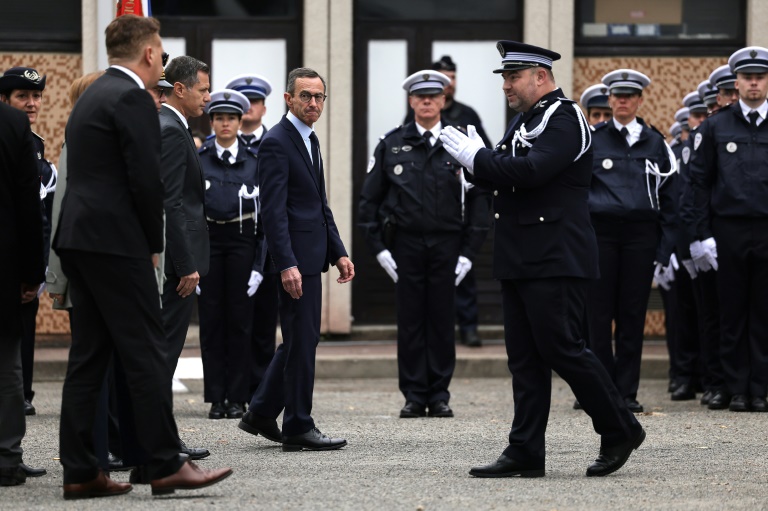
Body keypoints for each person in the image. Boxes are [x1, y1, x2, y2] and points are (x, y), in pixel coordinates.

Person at [440, 40, 644, 478]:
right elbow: (504, 172)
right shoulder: (527, 120)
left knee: (563, 348)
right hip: (522, 253)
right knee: (525, 359)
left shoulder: (564, 117)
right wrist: (479, 162)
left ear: (540, 75)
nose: (506, 87)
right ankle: (525, 449)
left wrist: (477, 157)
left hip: (555, 253)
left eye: (513, 78)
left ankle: (620, 427)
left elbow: (533, 171)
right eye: (505, 78)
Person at [52, 14, 231, 498]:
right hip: (117, 243)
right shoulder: (131, 97)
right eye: (161, 51)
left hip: (81, 239)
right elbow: (145, 180)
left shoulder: (91, 92)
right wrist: (155, 245)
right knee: (148, 351)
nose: (162, 60)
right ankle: (164, 463)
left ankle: (82, 470)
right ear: (150, 53)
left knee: (89, 359)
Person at [359, 70, 490, 418]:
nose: (427, 101)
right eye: (420, 96)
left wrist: (469, 253)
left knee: (443, 320)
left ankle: (440, 394)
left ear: (444, 100)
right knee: (411, 321)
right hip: (407, 245)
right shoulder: (391, 143)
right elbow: (368, 202)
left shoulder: (460, 143)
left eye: (434, 96)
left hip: (448, 245)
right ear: (411, 101)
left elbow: (481, 201)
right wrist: (379, 249)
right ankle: (415, 395)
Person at [237, 67, 355, 451]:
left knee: (300, 341)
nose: (313, 103)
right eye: (305, 96)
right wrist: (285, 263)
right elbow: (272, 211)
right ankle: (298, 425)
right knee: (302, 342)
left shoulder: (310, 139)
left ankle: (259, 412)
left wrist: (338, 251)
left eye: (319, 97)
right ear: (288, 99)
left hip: (312, 257)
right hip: (294, 263)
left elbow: (318, 204)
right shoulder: (277, 141)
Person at [586, 69, 678, 413]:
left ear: (640, 100)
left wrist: (666, 247)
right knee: (597, 318)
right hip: (602, 236)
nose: (622, 101)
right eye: (617, 96)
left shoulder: (655, 142)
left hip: (640, 237)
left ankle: (626, 393)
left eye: (630, 96)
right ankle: (600, 392)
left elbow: (670, 196)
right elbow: (578, 191)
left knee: (631, 316)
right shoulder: (592, 138)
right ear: (609, 100)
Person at [688, 46, 768, 413]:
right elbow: (699, 184)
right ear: (736, 82)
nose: (754, 83)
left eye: (760, 77)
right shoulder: (716, 126)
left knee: (764, 312)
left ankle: (761, 388)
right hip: (728, 231)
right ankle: (736, 388)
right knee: (731, 313)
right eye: (748, 77)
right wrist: (700, 236)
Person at [197, 89, 262, 419]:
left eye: (231, 118)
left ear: (240, 122)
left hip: (240, 239)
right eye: (219, 118)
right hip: (208, 241)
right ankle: (215, 397)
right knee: (210, 322)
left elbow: (265, 215)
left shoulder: (254, 158)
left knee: (239, 320)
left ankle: (237, 397)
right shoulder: (200, 156)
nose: (225, 124)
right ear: (211, 122)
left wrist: (260, 264)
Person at [0, 66, 56, 418]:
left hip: (26, 258)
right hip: (10, 256)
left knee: (25, 329)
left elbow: (41, 215)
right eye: (23, 97)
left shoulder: (36, 147)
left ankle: (22, 393)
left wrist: (40, 266)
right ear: (5, 100)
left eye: (36, 96)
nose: (32, 103)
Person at [0, 101, 45, 487]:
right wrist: (32, 273)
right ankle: (6, 456)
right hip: (4, 266)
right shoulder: (12, 123)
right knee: (6, 366)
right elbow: (27, 203)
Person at [225, 73, 279, 394]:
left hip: (269, 247)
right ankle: (234, 388)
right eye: (243, 103)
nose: (250, 109)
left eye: (255, 102)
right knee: (232, 321)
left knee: (263, 324)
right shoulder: (222, 143)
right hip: (233, 243)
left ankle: (261, 390)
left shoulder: (275, 142)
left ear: (263, 108)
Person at [225, 74, 272, 152]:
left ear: (264, 110)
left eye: (254, 101)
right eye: (243, 101)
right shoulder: (218, 143)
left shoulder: (277, 143)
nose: (248, 106)